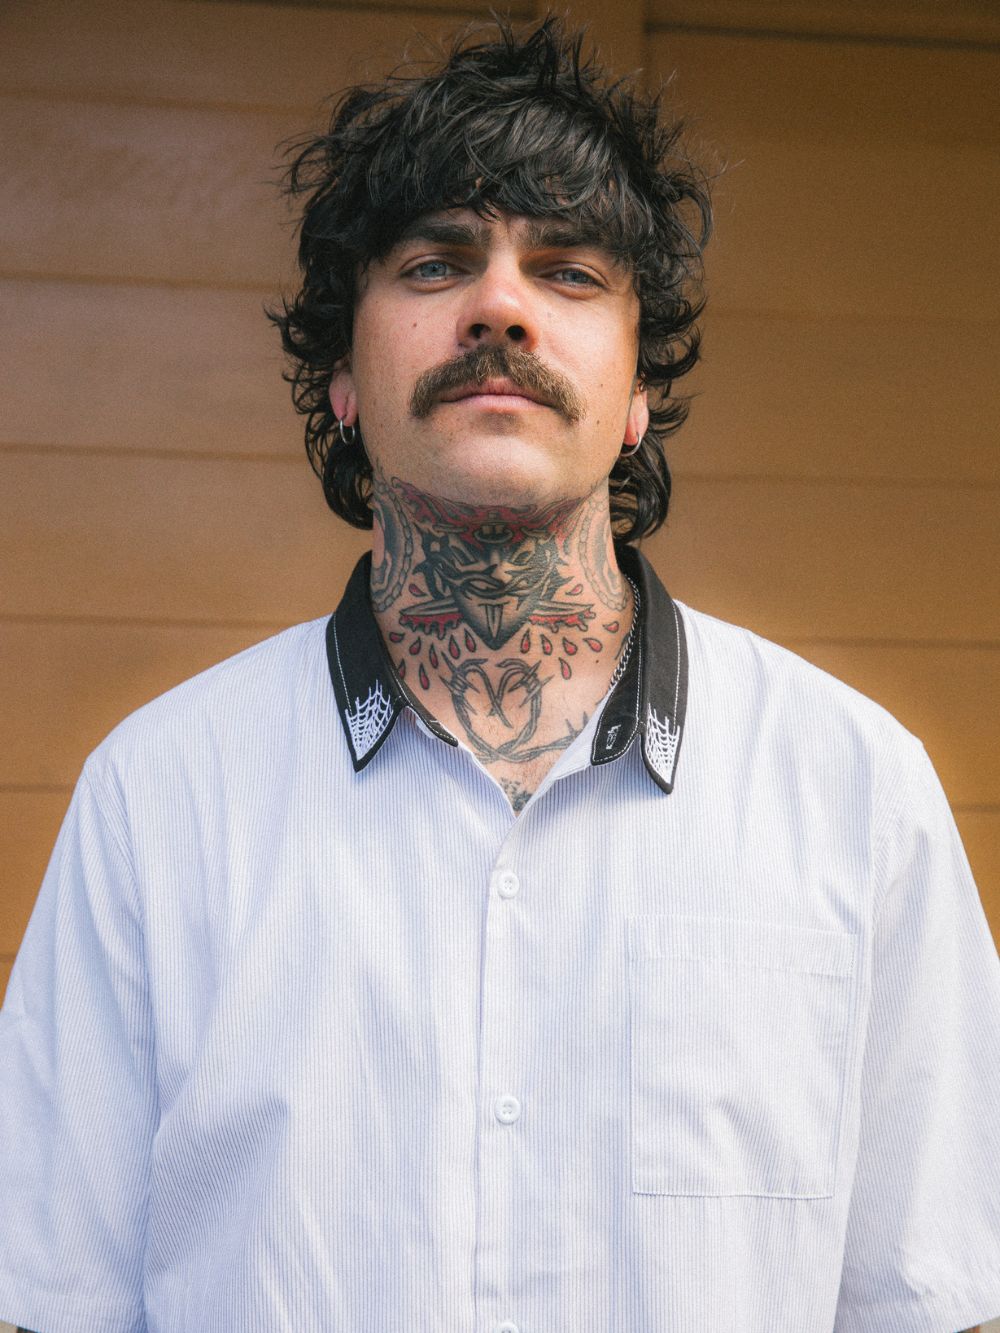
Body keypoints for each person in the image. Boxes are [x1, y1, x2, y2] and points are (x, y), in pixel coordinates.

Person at [1, 17, 998, 1333]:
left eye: (569, 271)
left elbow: (930, 1301)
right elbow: (57, 1299)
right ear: (343, 377)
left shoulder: (858, 795)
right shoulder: (156, 800)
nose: (500, 305)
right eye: (436, 263)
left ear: (636, 393)